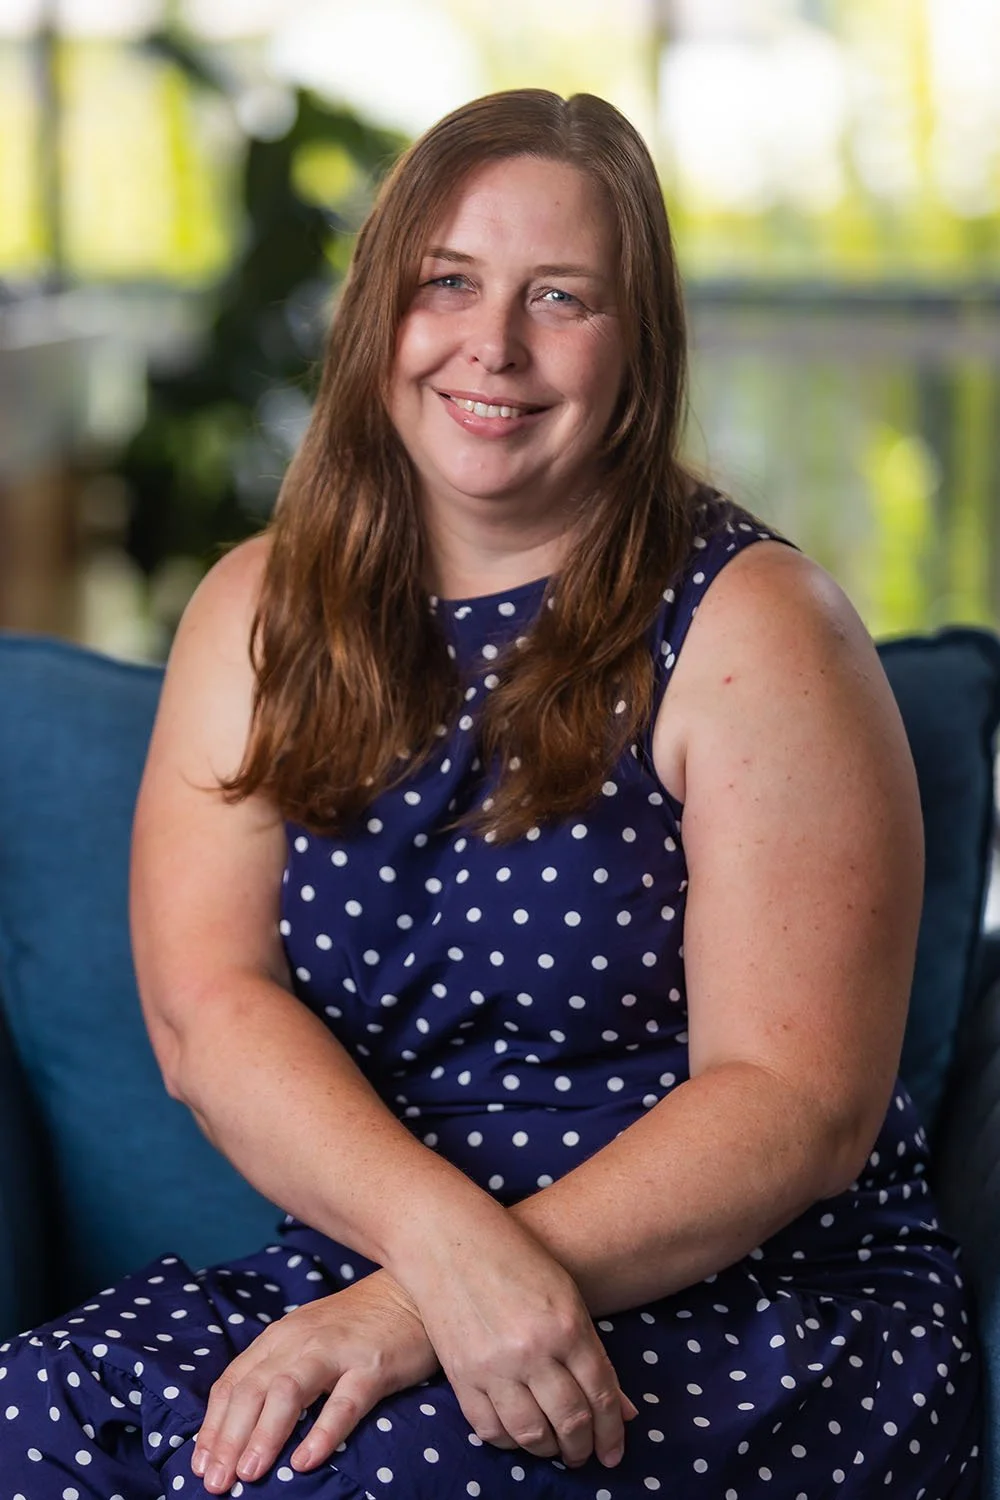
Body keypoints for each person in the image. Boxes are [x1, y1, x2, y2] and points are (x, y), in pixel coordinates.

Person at [0, 89, 982, 1500]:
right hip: (370, 1269)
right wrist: (434, 1268)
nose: (494, 346)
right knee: (26, 1420)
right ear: (378, 310)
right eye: (447, 283)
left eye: (561, 296)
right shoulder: (259, 612)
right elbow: (210, 1013)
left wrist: (427, 1305)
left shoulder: (753, 626)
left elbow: (799, 1099)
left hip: (738, 1309)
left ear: (636, 343)